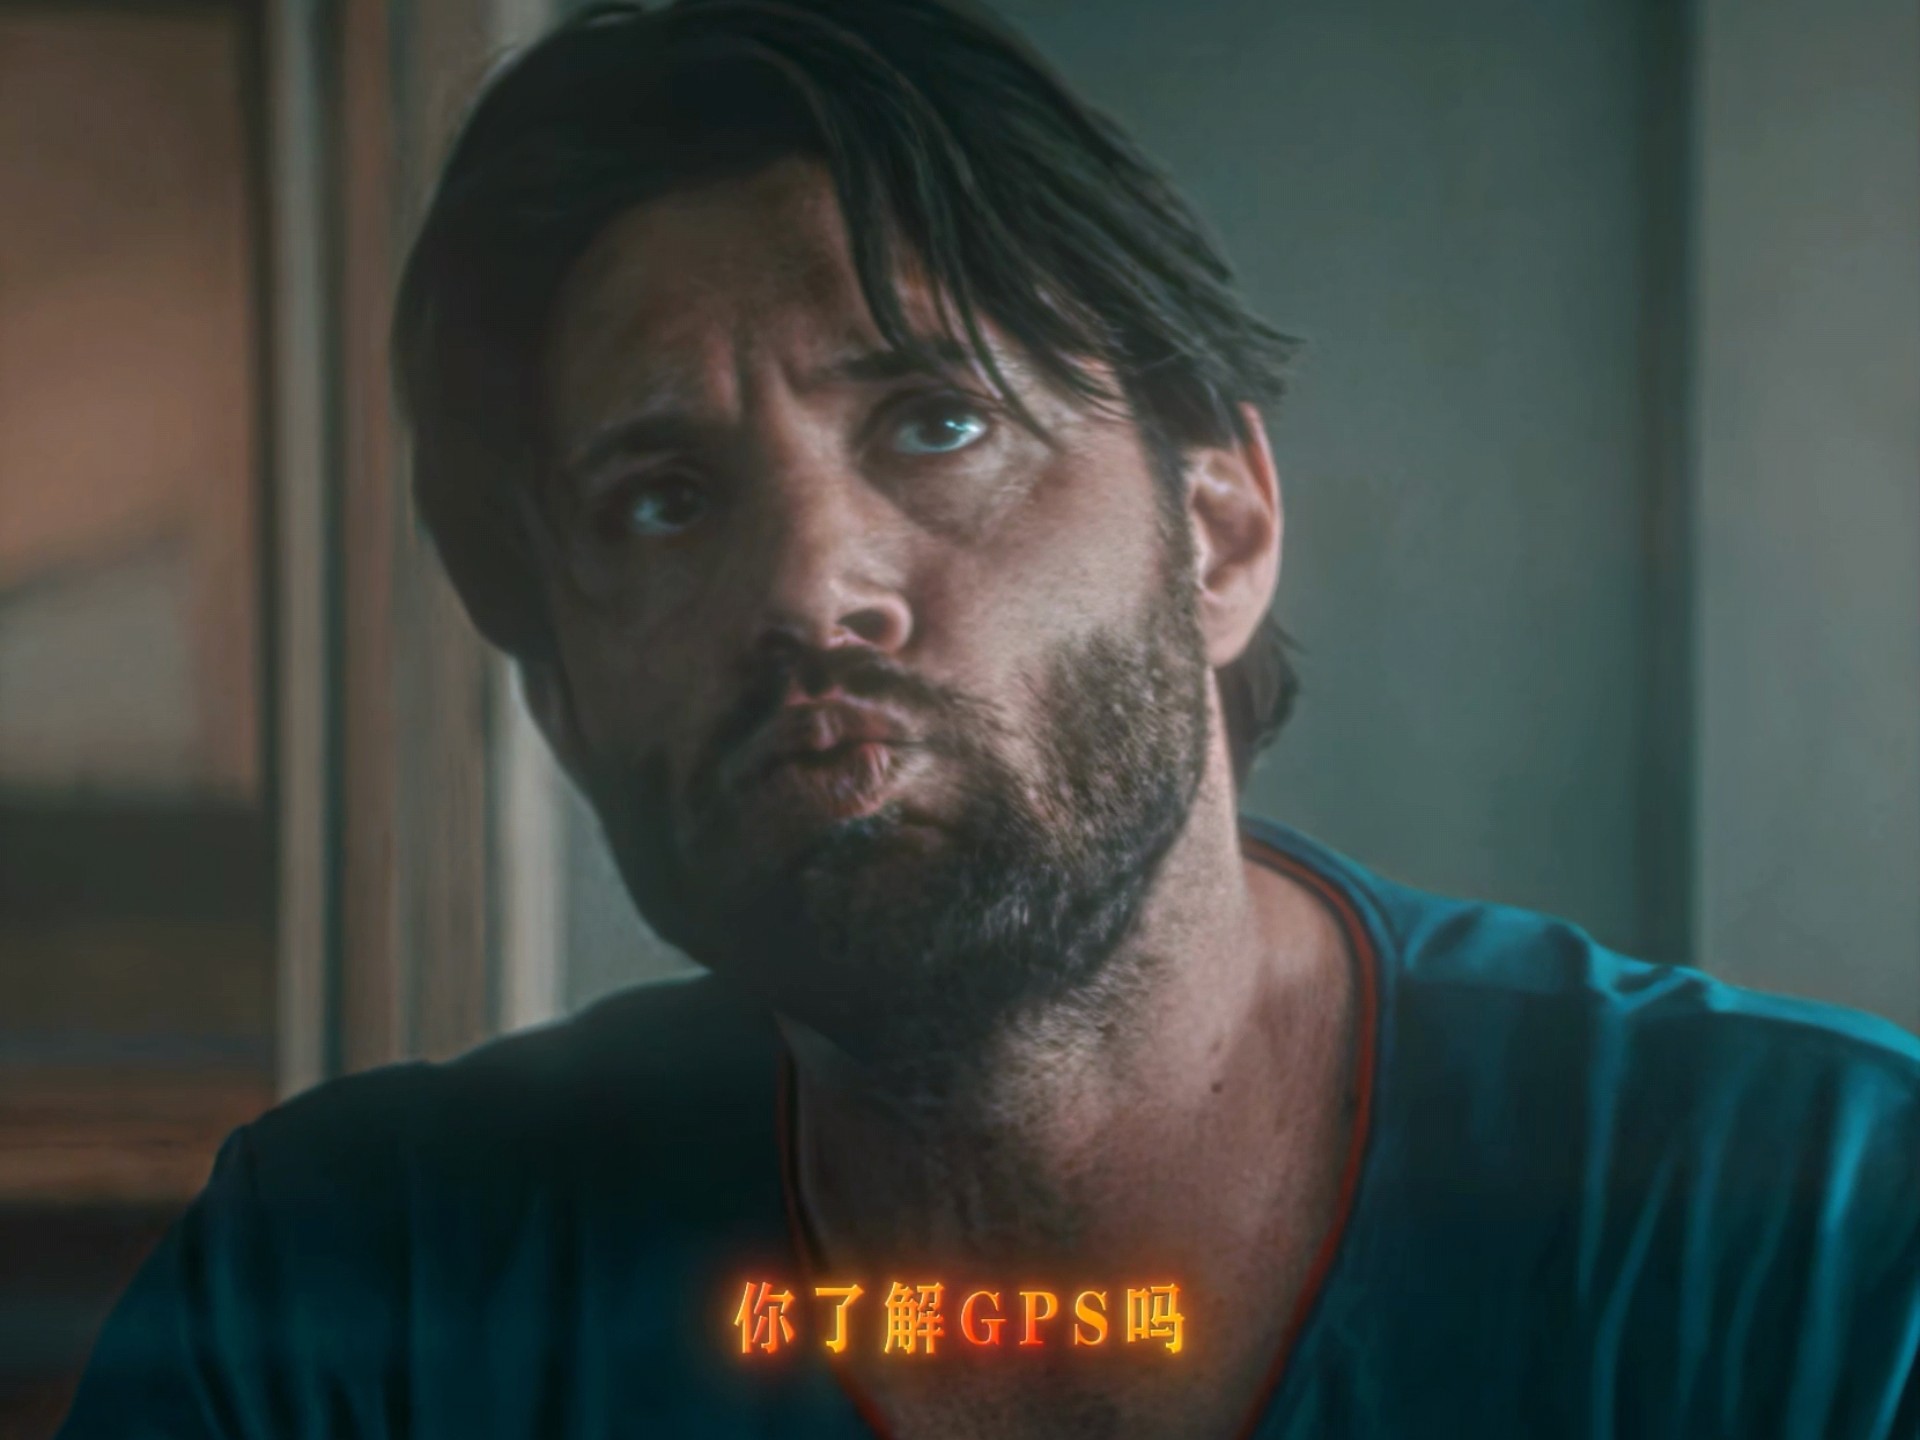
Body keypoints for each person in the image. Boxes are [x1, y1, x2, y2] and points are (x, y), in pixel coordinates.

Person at [59, 1, 1920, 1435]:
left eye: (936, 421)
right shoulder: (351, 1304)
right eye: (662, 500)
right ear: (557, 693)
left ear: (1219, 530)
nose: (809, 585)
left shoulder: (1824, 1237)